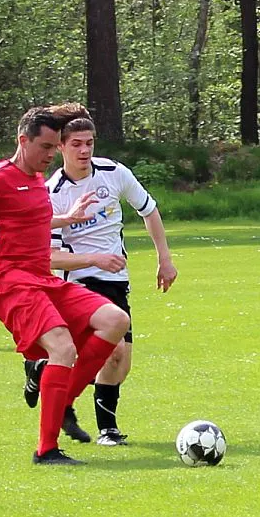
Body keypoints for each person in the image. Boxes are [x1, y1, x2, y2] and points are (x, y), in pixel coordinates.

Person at [0, 107, 130, 465]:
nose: (50, 155)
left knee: (115, 320)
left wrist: (67, 218)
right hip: (9, 281)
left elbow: (28, 218)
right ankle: (47, 450)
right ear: (22, 141)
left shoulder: (36, 180)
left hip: (42, 277)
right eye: (45, 147)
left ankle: (62, 401)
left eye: (54, 147)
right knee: (62, 346)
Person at [23, 103, 177, 446]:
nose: (84, 150)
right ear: (60, 146)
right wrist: (94, 259)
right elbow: (51, 258)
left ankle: (43, 369)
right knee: (113, 349)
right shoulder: (52, 193)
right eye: (76, 144)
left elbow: (149, 210)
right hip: (78, 281)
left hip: (116, 281)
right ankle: (106, 428)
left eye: (89, 143)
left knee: (121, 361)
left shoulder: (114, 172)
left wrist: (164, 259)